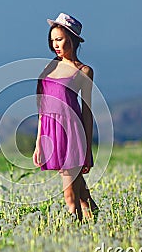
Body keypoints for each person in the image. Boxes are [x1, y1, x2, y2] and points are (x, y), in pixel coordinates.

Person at [33, 12, 99, 221]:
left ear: (73, 40)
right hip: (52, 134)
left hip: (72, 134)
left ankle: (74, 235)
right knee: (81, 194)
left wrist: (87, 148)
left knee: (70, 196)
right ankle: (97, 223)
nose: (55, 45)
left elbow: (86, 112)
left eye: (59, 39)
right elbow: (42, 108)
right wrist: (39, 142)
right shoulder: (48, 68)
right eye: (52, 40)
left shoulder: (84, 71)